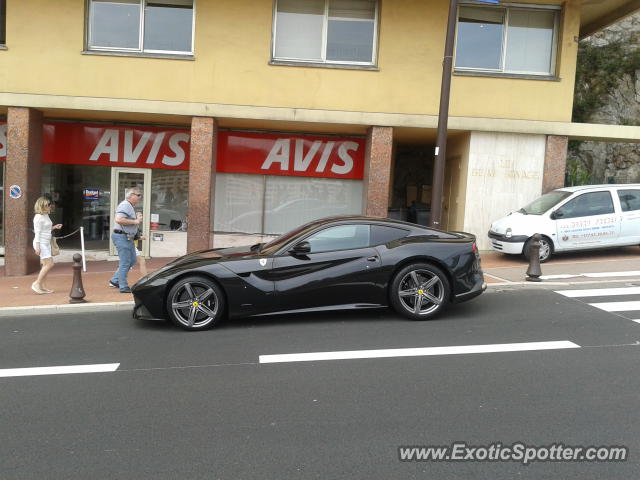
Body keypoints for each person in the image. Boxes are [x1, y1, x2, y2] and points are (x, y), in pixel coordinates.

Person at [109, 187, 143, 293]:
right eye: (138, 195)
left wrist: (136, 232)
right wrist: (136, 221)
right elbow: (118, 219)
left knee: (132, 260)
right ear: (131, 195)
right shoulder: (125, 205)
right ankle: (123, 286)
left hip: (127, 237)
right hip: (121, 237)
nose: (140, 197)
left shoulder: (129, 206)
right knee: (125, 262)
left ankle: (115, 280)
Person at [32, 197, 63, 294]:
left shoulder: (46, 215)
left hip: (46, 242)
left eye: (50, 204)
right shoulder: (38, 217)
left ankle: (42, 286)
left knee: (45, 265)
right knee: (50, 264)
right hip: (41, 243)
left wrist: (54, 227)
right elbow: (37, 233)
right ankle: (36, 283)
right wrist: (37, 247)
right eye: (48, 205)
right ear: (42, 206)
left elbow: (45, 229)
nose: (50, 206)